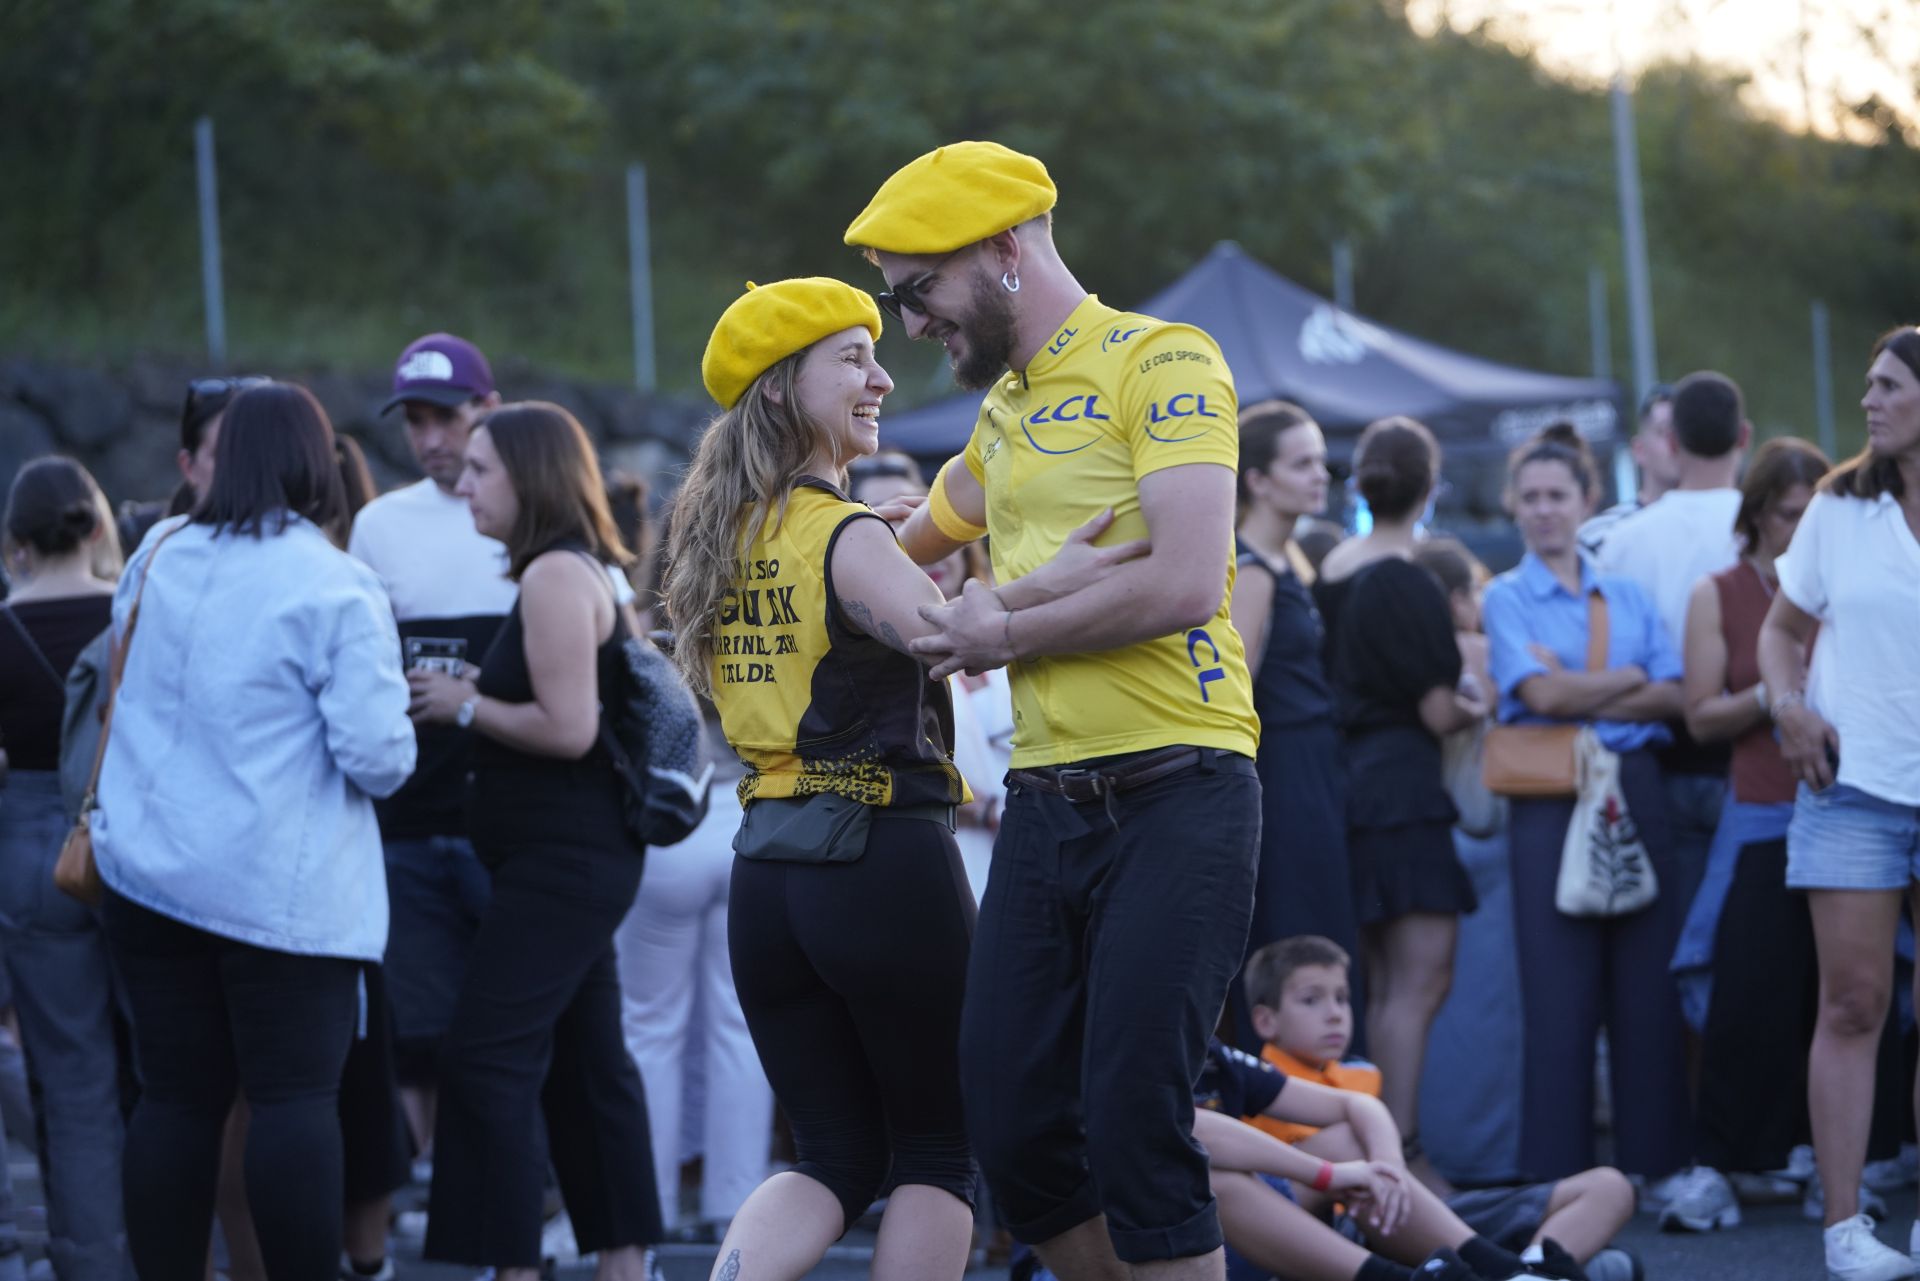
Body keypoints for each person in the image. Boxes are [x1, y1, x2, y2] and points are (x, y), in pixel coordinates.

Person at [847, 141, 1263, 1280]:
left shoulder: (1163, 359)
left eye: (916, 290)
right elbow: (894, 543)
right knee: (1018, 1130)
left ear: (1000, 249)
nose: (911, 322)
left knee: (1135, 1118)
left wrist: (1007, 624)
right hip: (1045, 802)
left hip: (1179, 788)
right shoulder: (1000, 417)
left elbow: (1184, 581)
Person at [666, 277, 1129, 1281]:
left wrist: (922, 540)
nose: (881, 375)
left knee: (833, 1152)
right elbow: (951, 636)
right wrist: (1065, 574)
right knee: (938, 1148)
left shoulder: (724, 535)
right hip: (878, 861)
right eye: (853, 358)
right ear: (784, 389)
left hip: (769, 875)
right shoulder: (844, 533)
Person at [93, 382, 416, 1281]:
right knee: (294, 1104)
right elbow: (378, 756)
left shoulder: (156, 551)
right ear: (314, 462)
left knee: (174, 1099)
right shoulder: (337, 582)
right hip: (284, 895)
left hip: (147, 877)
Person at [407, 401, 660, 1278]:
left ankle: (512, 1266)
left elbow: (570, 728)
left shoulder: (555, 574)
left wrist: (464, 704)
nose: (464, 484)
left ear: (532, 477)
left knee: (484, 1058)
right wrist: (481, 683)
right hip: (571, 856)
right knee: (590, 1063)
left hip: (564, 859)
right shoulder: (570, 568)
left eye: (482, 470)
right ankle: (625, 1263)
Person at [1481, 423, 1690, 1185]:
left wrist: (1576, 683)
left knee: (1646, 985)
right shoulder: (1504, 596)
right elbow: (1537, 693)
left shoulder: (1626, 591)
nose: (1543, 510)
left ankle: (1658, 1163)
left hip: (1633, 786)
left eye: (1556, 495)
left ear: (1586, 499)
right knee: (1558, 992)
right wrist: (1625, 678)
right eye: (1529, 497)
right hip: (1550, 795)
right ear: (1513, 506)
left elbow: (1677, 696)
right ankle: (1556, 1175)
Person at [1757, 325, 1920, 1281]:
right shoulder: (1836, 505)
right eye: (1867, 384)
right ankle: (1846, 1231)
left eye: (1890, 386)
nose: (1868, 401)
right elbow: (1782, 631)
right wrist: (1787, 706)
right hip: (1849, 784)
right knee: (1854, 1004)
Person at [1237, 937, 1641, 1281]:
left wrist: (1391, 1171)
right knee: (1347, 1145)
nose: (1335, 1013)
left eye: (1343, 998)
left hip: (1413, 1212)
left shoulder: (1361, 1075)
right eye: (1312, 1000)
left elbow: (1376, 1134)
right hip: (1345, 1229)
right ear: (1266, 1021)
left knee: (1611, 1186)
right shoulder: (1255, 1080)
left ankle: (1526, 1268)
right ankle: (1537, 1267)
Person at [347, 332, 513, 1152]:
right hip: (408, 820)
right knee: (419, 1032)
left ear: (487, 409)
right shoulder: (380, 526)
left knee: (512, 1028)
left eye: (444, 417)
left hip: (510, 818)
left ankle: (518, 1197)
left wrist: (477, 699)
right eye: (414, 421)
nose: (430, 439)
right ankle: (450, 1205)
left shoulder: (529, 509)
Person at [1312, 417, 1485, 1186]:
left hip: (1344, 783)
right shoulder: (1409, 579)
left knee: (1382, 984)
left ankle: (1383, 1151)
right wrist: (1480, 702)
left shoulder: (1330, 572)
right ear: (1429, 488)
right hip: (1404, 791)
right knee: (1419, 980)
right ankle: (1403, 1155)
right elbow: (1439, 712)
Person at [0, 457, 131, 1281]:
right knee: (170, 1070)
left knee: (73, 1073)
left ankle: (92, 1263)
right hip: (133, 842)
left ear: (14, 544)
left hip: (30, 854)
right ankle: (185, 1250)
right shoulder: (132, 617)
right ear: (95, 529)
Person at [1592, 371, 1751, 913]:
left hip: (1656, 757)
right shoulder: (1769, 531)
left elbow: (1611, 658)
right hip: (1756, 748)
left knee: (1674, 933)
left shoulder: (1622, 542)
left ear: (1673, 442)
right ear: (1744, 437)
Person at [1229, 400, 1356, 1051]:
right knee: (1292, 939)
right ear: (1258, 479)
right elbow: (1235, 690)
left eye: (1319, 460)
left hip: (1310, 771)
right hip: (1282, 776)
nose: (1320, 475)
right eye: (1302, 462)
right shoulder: (1250, 570)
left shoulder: (1286, 563)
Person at [848, 450, 1012, 903]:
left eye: (923, 517)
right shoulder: (871, 649)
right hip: (947, 858)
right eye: (890, 530)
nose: (919, 542)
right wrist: (990, 810)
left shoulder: (1018, 617)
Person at [1578, 384, 1678, 558]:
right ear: (1639, 450)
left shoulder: (1722, 526)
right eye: (1664, 432)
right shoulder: (1600, 535)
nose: (1676, 443)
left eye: (1684, 433)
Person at [170, 375, 270, 514]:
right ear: (188, 467)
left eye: (257, 453)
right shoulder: (163, 534)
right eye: (224, 455)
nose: (244, 468)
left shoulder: (304, 533)